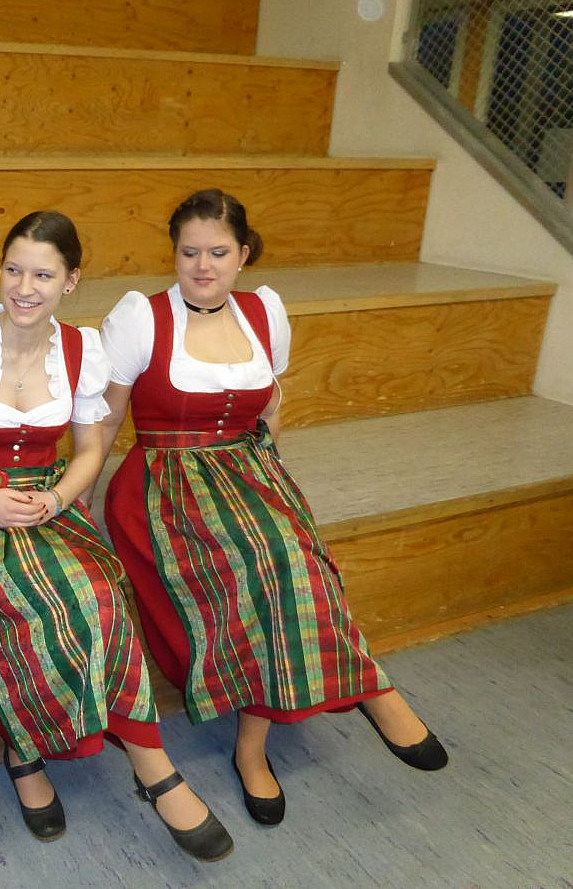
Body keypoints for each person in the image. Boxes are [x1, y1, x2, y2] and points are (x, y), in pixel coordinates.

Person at [98, 189, 448, 827]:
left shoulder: (264, 311)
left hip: (246, 468)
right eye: (189, 252)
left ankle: (260, 740)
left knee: (298, 554)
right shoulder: (141, 318)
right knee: (267, 559)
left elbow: (272, 407)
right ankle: (363, 692)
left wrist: (271, 482)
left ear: (244, 254)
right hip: (165, 483)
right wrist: (81, 504)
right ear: (174, 253)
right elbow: (104, 421)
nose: (202, 266)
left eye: (218, 252)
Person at [0, 211, 232, 862]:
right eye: (13, 270)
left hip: (49, 503)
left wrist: (59, 498)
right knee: (27, 600)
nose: (23, 287)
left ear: (70, 280)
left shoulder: (82, 350)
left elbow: (90, 449)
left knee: (101, 596)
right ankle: (29, 750)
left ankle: (146, 761)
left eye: (42, 274)